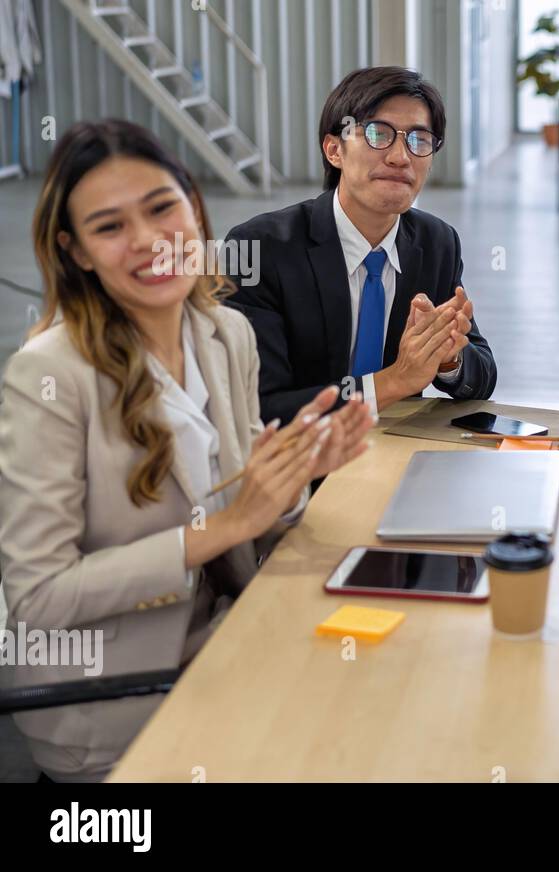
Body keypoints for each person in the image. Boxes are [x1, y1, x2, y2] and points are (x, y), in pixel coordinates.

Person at [0, 120, 372, 781]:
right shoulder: (48, 374)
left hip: (228, 647)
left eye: (161, 207)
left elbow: (247, 512)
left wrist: (290, 479)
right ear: (75, 251)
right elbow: (39, 596)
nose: (149, 240)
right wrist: (225, 526)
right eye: (110, 227)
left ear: (194, 209)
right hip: (115, 701)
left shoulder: (225, 334)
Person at [227, 66, 496, 424]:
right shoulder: (258, 248)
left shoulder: (436, 243)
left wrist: (447, 358)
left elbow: (483, 374)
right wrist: (396, 380)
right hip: (301, 452)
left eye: (419, 140)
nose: (401, 157)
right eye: (377, 134)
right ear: (334, 150)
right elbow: (261, 406)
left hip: (395, 449)